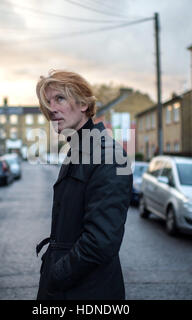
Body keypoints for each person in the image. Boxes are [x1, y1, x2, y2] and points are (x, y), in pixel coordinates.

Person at [35, 70, 133, 300]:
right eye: (48, 102)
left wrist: (56, 274)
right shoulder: (78, 150)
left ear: (83, 104)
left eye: (60, 98)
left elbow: (101, 242)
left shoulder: (108, 155)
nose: (51, 108)